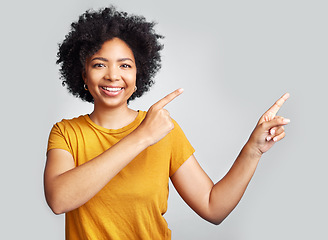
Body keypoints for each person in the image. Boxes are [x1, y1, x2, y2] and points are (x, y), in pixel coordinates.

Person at [44, 6, 290, 240]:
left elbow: (213, 207)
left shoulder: (163, 130)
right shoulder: (66, 133)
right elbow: (59, 200)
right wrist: (141, 137)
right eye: (99, 64)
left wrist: (253, 150)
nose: (112, 75)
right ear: (83, 74)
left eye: (125, 65)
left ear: (138, 74)